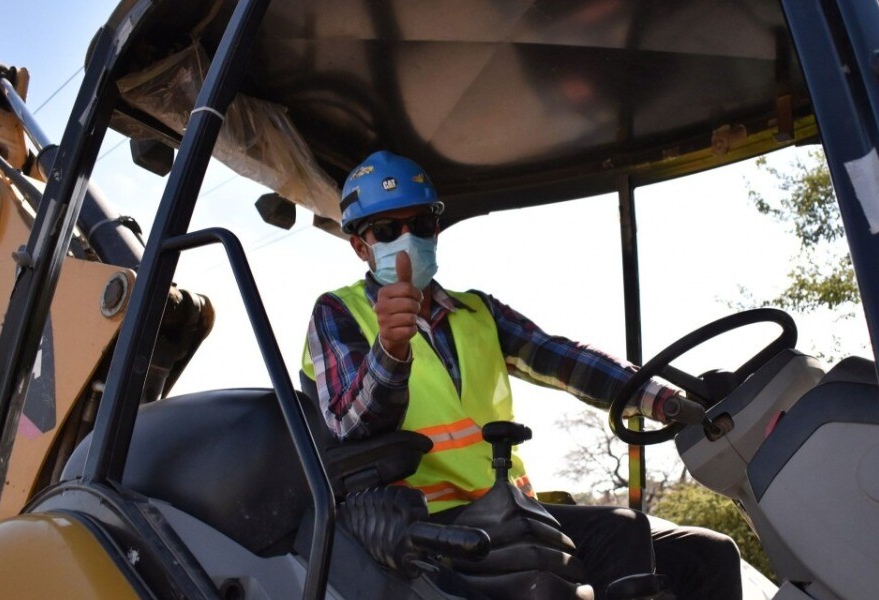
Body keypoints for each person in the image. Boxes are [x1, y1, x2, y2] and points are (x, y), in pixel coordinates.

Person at [304, 150, 741, 599]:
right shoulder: (339, 313)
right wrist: (390, 351)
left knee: (708, 553)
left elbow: (560, 359)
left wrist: (659, 399)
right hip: (420, 525)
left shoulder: (478, 312)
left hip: (510, 509)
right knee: (621, 530)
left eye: (419, 223)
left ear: (435, 228)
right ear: (360, 245)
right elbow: (352, 425)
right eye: (388, 230)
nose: (407, 238)